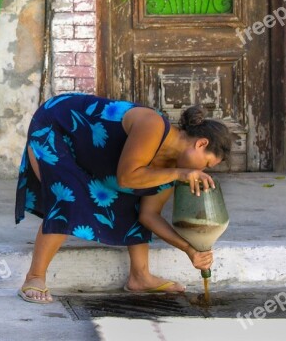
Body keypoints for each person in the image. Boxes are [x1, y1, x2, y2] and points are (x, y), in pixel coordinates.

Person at [15, 93, 233, 303]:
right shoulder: (153, 124)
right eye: (206, 164)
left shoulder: (172, 169)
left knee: (137, 196)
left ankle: (140, 277)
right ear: (201, 144)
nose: (203, 171)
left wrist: (190, 250)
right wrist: (180, 174)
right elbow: (127, 177)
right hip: (58, 125)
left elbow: (149, 216)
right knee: (68, 196)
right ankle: (34, 276)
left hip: (95, 151)